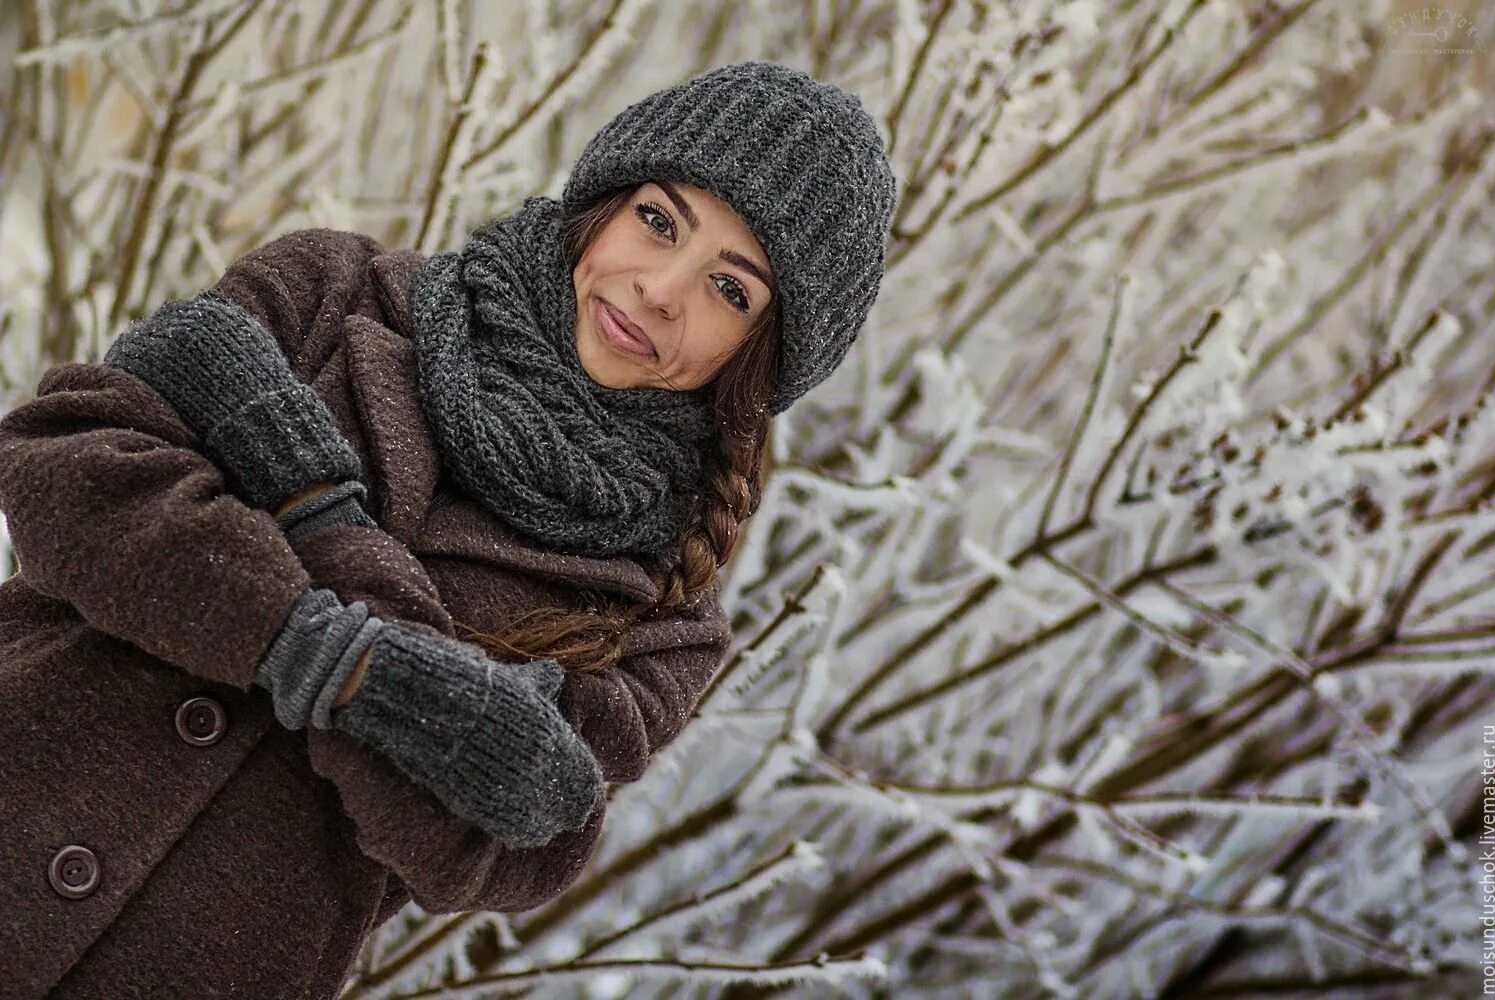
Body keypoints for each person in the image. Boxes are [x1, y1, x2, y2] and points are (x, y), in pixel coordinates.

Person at [0, 60, 896, 997]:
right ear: (604, 196)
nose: (663, 288)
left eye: (731, 290)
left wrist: (312, 510)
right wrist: (360, 672)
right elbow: (67, 460)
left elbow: (506, 837)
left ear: (760, 355)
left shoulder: (663, 619)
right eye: (659, 220)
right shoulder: (336, 291)